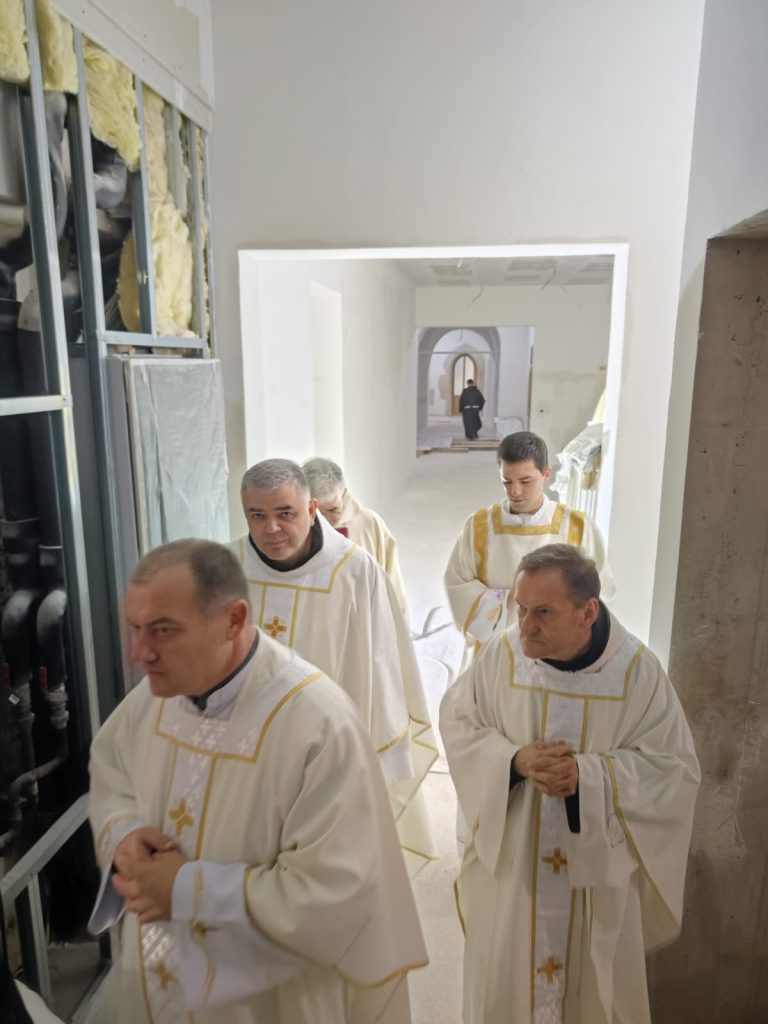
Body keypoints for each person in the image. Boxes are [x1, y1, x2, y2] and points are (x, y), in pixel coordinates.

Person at [87, 539, 427, 1024]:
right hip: (154, 980)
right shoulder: (154, 699)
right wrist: (124, 833)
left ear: (233, 619)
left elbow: (335, 894)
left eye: (164, 630)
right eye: (135, 629)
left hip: (268, 1004)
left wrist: (186, 890)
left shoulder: (318, 724)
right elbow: (111, 766)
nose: (140, 654)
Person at [439, 544, 699, 1024]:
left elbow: (674, 770)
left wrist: (589, 777)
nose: (525, 626)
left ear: (588, 612)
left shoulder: (636, 672)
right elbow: (459, 722)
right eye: (520, 608)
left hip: (594, 875)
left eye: (543, 612)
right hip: (517, 867)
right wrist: (513, 760)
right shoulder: (503, 656)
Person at [230, 459, 437, 876]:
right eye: (258, 515)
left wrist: (375, 763)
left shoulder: (355, 572)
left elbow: (379, 670)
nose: (271, 528)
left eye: (285, 513)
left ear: (311, 510)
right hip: (247, 758)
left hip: (329, 761)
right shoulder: (225, 569)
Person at [444, 430, 615, 648]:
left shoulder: (577, 528)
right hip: (496, 649)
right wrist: (507, 601)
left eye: (525, 481)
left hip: (557, 652)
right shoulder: (479, 527)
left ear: (546, 473)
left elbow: (601, 590)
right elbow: (457, 584)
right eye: (507, 481)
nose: (515, 491)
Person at [302, 456, 409, 617]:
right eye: (317, 513)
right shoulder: (293, 528)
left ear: (344, 494)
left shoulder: (369, 524)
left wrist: (398, 621)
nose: (324, 521)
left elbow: (392, 581)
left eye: (332, 510)